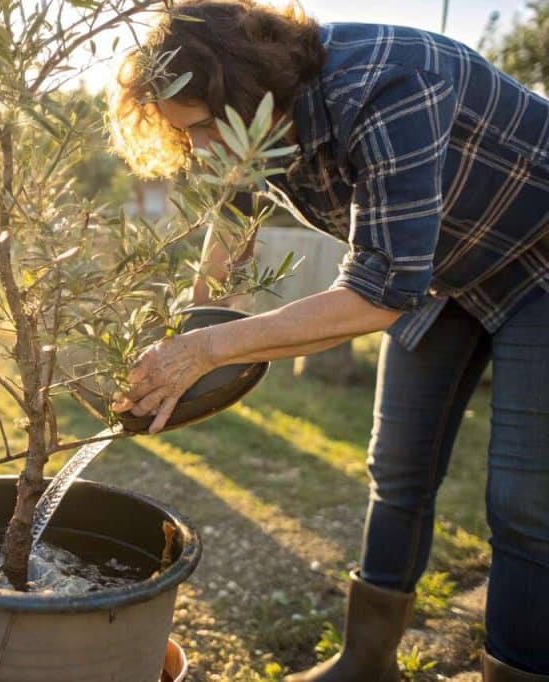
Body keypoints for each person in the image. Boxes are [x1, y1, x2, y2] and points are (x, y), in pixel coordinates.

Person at [107, 1, 549, 680]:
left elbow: (379, 291)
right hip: (439, 274)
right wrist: (186, 343)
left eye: (199, 131)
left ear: (241, 90)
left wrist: (215, 351)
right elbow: (227, 235)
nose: (200, 151)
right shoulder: (251, 129)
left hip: (535, 261)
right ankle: (366, 661)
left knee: (522, 500)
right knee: (397, 470)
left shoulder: (391, 83)